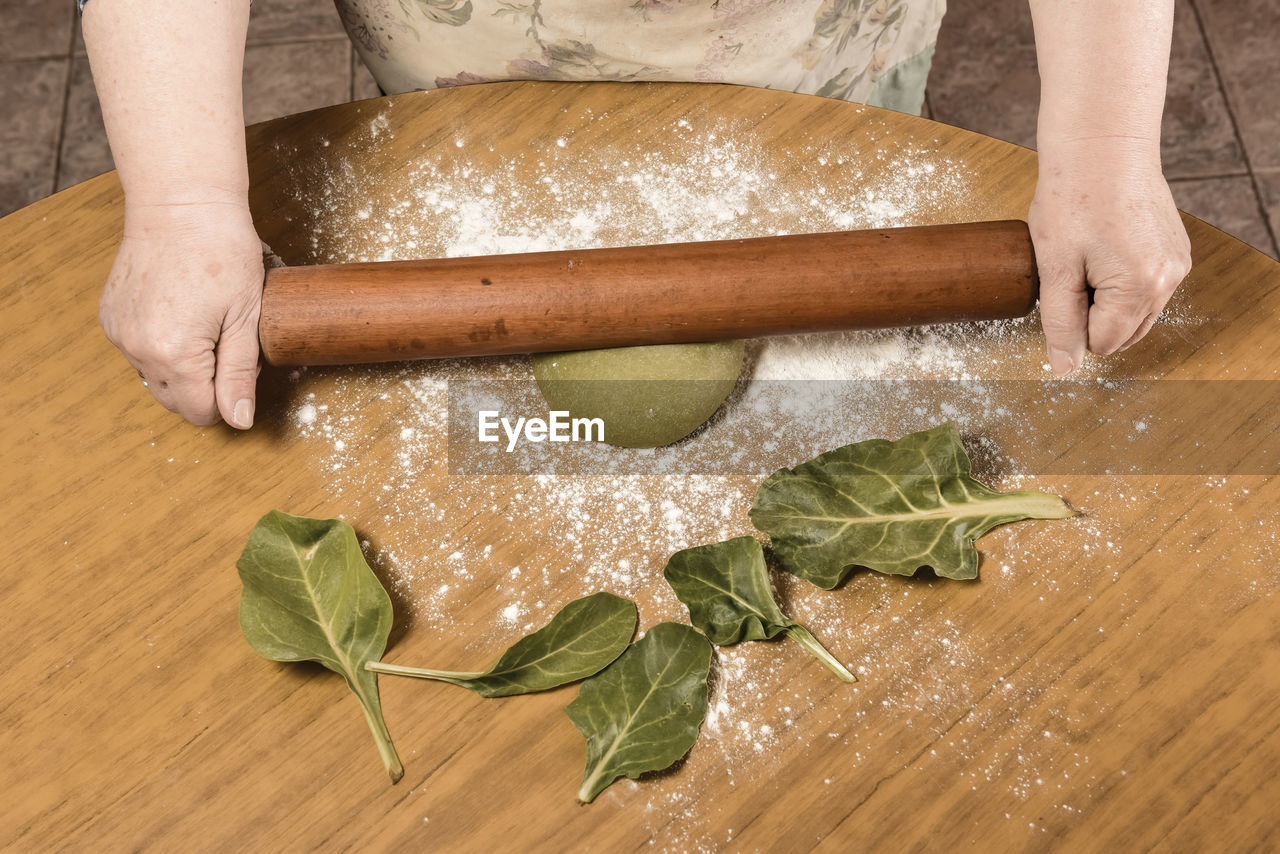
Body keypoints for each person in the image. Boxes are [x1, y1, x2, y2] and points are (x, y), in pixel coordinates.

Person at [81, 0, 1191, 430]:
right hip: (461, 49)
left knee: (822, 175)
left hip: (813, 43)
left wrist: (1101, 143)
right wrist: (182, 199)